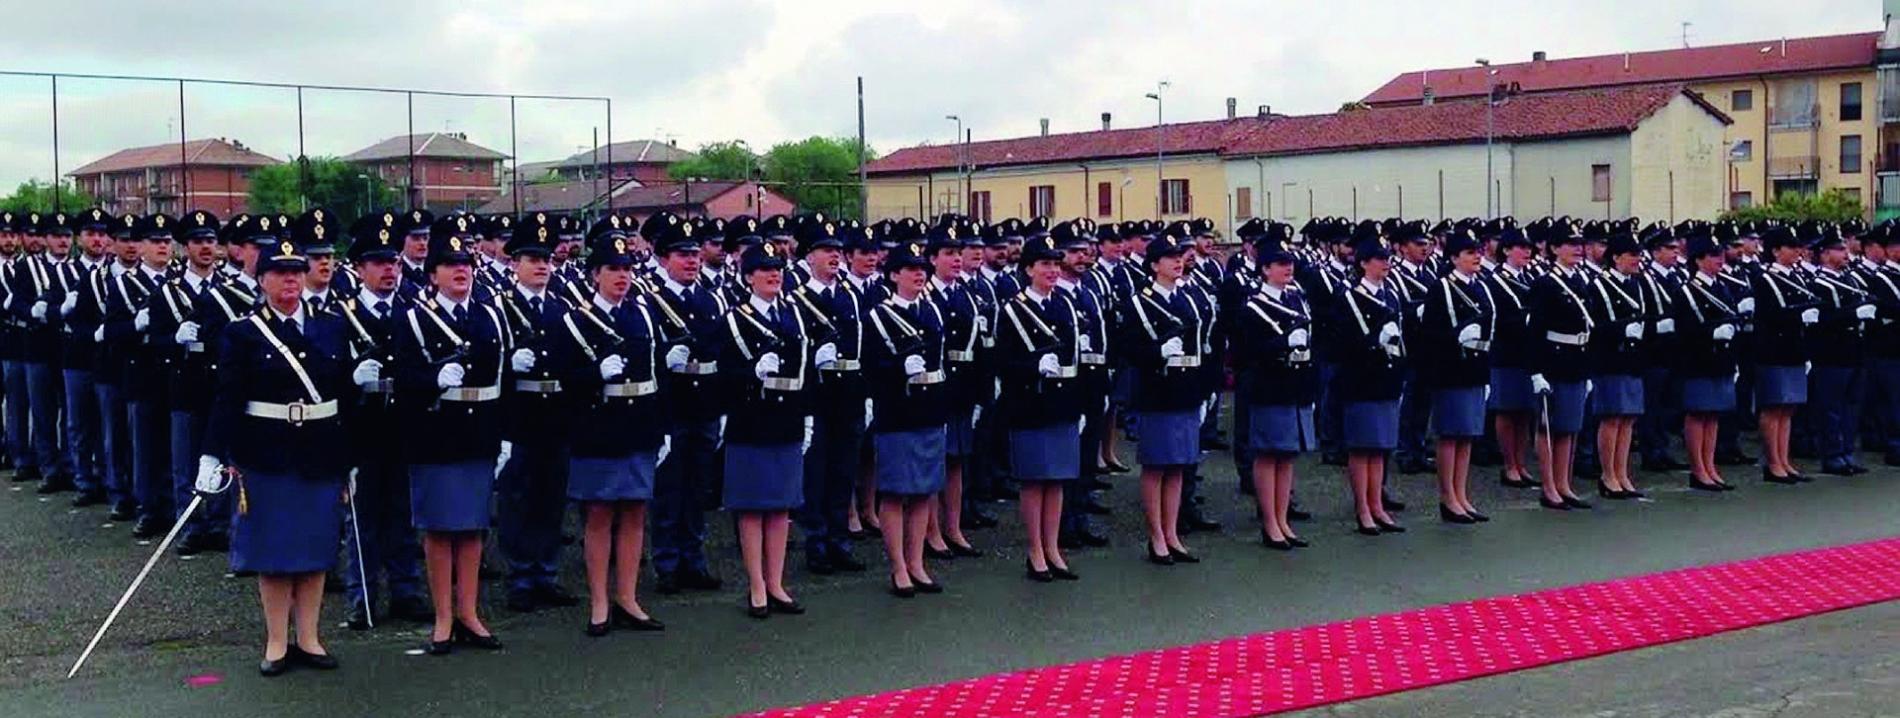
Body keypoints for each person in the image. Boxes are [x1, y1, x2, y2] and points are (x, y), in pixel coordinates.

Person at [195, 231, 352, 676]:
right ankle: (277, 641)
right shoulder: (243, 333)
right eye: (279, 272)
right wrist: (211, 455)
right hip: (266, 453)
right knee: (275, 550)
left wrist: (350, 457)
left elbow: (343, 397)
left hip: (321, 450)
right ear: (261, 279)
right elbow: (227, 398)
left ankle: (310, 637)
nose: (289, 280)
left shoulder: (331, 325)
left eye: (296, 272)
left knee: (315, 547)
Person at [392, 214, 510, 655]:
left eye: (466, 264)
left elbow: (503, 382)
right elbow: (403, 379)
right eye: (449, 264)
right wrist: (432, 378)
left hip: (480, 431)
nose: (461, 271)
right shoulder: (413, 319)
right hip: (436, 434)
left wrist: (506, 435)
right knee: (440, 530)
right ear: (432, 274)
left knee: (473, 527)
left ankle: (470, 612)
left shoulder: (489, 316)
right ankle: (443, 617)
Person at [555, 219, 668, 635]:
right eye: (614, 269)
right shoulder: (575, 321)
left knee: (636, 512)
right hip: (598, 427)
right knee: (600, 514)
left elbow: (659, 374)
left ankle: (628, 597)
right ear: (595, 274)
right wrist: (594, 374)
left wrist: (663, 427)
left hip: (639, 423)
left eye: (628, 269)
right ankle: (599, 601)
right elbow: (566, 380)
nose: (623, 276)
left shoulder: (643, 314)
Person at [719, 238, 818, 618]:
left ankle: (777, 582)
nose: (773, 275)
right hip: (751, 419)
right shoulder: (734, 319)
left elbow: (805, 370)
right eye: (764, 270)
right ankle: (756, 585)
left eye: (777, 269)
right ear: (748, 277)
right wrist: (751, 373)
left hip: (788, 416)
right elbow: (723, 374)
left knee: (781, 506)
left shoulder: (792, 314)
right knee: (751, 507)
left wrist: (808, 415)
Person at [495, 214, 581, 614]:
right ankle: (520, 575)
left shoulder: (563, 307)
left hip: (557, 414)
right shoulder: (499, 307)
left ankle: (546, 572)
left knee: (551, 497)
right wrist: (509, 363)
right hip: (520, 414)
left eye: (546, 258)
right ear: (515, 262)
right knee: (518, 498)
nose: (543, 265)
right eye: (532, 258)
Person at [863, 238, 950, 597]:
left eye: (923, 270)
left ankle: (917, 562)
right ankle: (898, 566)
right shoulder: (878, 317)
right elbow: (870, 369)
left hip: (929, 410)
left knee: (924, 492)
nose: (919, 275)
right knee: (897, 493)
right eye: (912, 270)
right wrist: (898, 368)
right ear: (894, 274)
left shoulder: (931, 312)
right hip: (897, 413)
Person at [649, 218, 730, 595]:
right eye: (683, 255)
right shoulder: (650, 299)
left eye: (695, 254)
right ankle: (666, 562)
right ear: (664, 258)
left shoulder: (712, 296)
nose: (692, 261)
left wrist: (722, 406)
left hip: (705, 402)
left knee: (698, 486)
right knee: (669, 488)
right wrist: (666, 357)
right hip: (672, 403)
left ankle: (693, 559)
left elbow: (724, 353)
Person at [997, 231, 1084, 581]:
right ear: (1028, 268)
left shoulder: (1063, 304)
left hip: (1061, 402)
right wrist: (1034, 366)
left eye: (1054, 263)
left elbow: (1074, 358)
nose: (1052, 270)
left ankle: (1053, 547)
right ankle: (1034, 550)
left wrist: (1077, 404)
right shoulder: (1013, 310)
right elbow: (1003, 363)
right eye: (1044, 264)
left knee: (1058, 480)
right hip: (1030, 405)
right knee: (1035, 481)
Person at [1122, 228, 1212, 563]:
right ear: (1154, 264)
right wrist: (1158, 351)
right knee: (1157, 466)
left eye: (1180, 257)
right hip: (1157, 393)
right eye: (1171, 258)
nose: (1178, 262)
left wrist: (1203, 393)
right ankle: (1156, 536)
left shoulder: (1186, 298)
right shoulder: (1139, 303)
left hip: (1186, 390)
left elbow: (1199, 349)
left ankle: (1172, 533)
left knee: (1179, 466)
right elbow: (1130, 351)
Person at [791, 220, 872, 576]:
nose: (834, 256)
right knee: (817, 473)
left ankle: (840, 540)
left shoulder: (849, 295)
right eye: (826, 251)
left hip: (849, 392)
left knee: (843, 472)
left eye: (838, 251)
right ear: (809, 257)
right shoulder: (798, 299)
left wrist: (866, 394)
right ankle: (817, 542)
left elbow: (862, 346)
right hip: (818, 394)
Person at [1232, 236, 1315, 549]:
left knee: (1288, 456)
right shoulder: (1252, 307)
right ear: (1265, 269)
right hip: (1268, 388)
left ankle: (1283, 519)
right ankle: (1270, 523)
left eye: (1289, 262)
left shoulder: (1296, 299)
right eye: (1280, 263)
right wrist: (1283, 344)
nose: (1288, 268)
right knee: (1268, 455)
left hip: (1293, 387)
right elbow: (1245, 355)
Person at [1419, 229, 1495, 522]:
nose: (1477, 256)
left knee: (1467, 436)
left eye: (1478, 251)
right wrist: (1456, 337)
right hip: (1451, 370)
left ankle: (1462, 493)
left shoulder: (1480, 286)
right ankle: (1447, 497)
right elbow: (1430, 333)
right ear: (1453, 258)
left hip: (1475, 368)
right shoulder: (1442, 288)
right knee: (1450, 435)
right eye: (1468, 252)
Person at [1335, 238, 1408, 535]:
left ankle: (1377, 504)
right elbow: (1345, 342)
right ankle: (1362, 508)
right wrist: (1374, 342)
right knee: (1362, 447)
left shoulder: (1391, 296)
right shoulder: (1351, 296)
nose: (1385, 262)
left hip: (1386, 378)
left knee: (1381, 448)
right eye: (1378, 258)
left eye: (1387, 256)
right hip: (1362, 379)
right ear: (1363, 263)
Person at [924, 225, 984, 558]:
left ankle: (953, 526)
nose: (956, 259)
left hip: (962, 387)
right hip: (936, 388)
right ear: (932, 259)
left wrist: (978, 392)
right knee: (936, 461)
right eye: (948, 253)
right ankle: (931, 531)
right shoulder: (925, 296)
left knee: (958, 460)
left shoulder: (966, 293)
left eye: (958, 253)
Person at [1527, 227, 1596, 510]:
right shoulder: (1546, 284)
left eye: (1579, 244)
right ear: (1554, 249)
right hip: (1553, 359)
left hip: (1577, 358)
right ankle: (1548, 487)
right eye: (1570, 244)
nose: (1577, 249)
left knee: (1570, 426)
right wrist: (1536, 371)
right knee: (1549, 426)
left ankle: (1564, 483)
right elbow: (1535, 330)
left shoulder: (1580, 280)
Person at [1585, 233, 1654, 499]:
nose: (1637, 260)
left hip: (1632, 358)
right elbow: (1596, 325)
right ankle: (1608, 474)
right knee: (1612, 417)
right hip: (1610, 358)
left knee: (1628, 419)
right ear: (1616, 257)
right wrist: (1623, 330)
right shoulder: (1600, 285)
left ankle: (1622, 472)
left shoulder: (1635, 285)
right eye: (1632, 254)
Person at [1751, 226, 1819, 484]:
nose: (1797, 251)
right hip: (1774, 350)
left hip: (1794, 349)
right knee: (1774, 407)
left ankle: (1784, 459)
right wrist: (1798, 316)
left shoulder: (1796, 276)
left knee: (1788, 408)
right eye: (1790, 247)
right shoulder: (1766, 278)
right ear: (1776, 251)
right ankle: (1773, 463)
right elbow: (1771, 314)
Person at [1676, 235, 1744, 491]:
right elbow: (1686, 329)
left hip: (1721, 359)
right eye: (1713, 255)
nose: (1720, 259)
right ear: (1699, 260)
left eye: (1720, 254)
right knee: (1698, 414)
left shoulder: (1721, 286)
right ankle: (1698, 469)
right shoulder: (1689, 290)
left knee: (1713, 415)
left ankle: (1710, 465)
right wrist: (1711, 334)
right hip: (1699, 360)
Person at [1808, 228, 1876, 476]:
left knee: (1852, 405)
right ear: (1824, 255)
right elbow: (1821, 318)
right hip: (1832, 353)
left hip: (1854, 350)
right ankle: (1833, 455)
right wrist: (1853, 314)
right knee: (1832, 407)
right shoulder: (1818, 283)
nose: (1845, 254)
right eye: (1839, 249)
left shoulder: (1850, 279)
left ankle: (1847, 452)